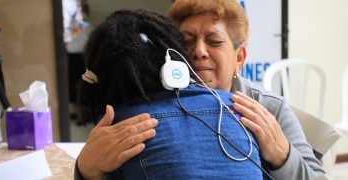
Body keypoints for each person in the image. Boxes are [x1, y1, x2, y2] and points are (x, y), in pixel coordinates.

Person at [76, 0, 325, 179]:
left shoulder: (270, 108)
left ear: (240, 57)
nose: (199, 51)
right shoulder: (146, 107)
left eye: (214, 41)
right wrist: (86, 168)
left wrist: (283, 155)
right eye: (186, 42)